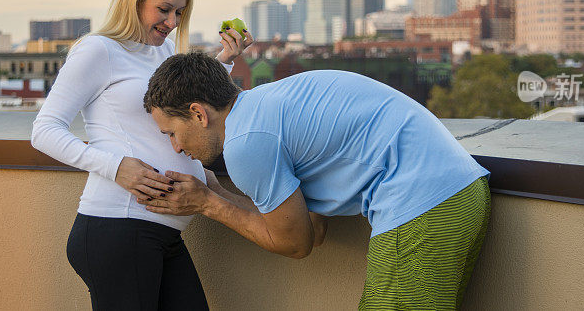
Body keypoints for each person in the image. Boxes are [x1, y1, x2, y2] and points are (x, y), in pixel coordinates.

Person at [140, 52, 491, 310]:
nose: (175, 147)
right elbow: (310, 227)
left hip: (421, 206)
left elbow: (296, 244)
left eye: (172, 132)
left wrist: (207, 203)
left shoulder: (245, 143)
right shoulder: (268, 105)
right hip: (461, 193)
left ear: (198, 114)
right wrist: (215, 192)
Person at [31, 0, 253, 311]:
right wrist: (116, 166)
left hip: (161, 232)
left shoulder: (162, 51)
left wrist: (223, 63)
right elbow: (44, 131)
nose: (172, 21)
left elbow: (185, 110)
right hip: (119, 226)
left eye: (179, 12)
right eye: (164, 9)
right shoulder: (98, 50)